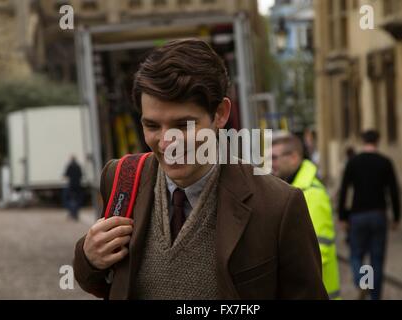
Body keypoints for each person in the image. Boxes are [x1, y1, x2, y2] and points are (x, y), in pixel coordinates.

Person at [73, 39, 328, 300]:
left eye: (183, 125)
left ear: (220, 114)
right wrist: (88, 257)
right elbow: (103, 281)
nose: (166, 142)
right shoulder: (120, 178)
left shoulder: (279, 205)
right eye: (152, 126)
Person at [271, 133, 341, 300]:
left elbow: (318, 250)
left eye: (274, 158)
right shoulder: (292, 190)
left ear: (294, 158)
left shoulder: (312, 193)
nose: (270, 164)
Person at [338, 129, 401, 300]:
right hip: (379, 215)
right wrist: (396, 217)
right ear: (378, 141)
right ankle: (374, 297)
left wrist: (342, 216)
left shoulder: (354, 162)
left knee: (356, 254)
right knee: (377, 260)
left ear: (362, 141)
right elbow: (394, 191)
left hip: (358, 215)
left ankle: (363, 282)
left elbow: (344, 191)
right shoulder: (385, 162)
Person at [64, 156, 83, 221]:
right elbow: (81, 175)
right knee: (77, 200)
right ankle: (76, 214)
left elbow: (66, 174)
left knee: (71, 200)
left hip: (71, 186)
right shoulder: (78, 166)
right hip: (78, 185)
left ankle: (72, 213)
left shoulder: (70, 166)